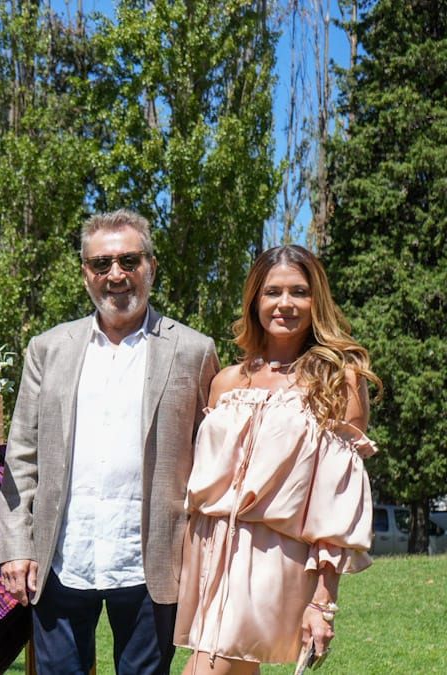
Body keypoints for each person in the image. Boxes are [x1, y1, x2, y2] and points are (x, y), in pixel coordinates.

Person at [0, 210, 220, 674]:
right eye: (101, 264)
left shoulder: (194, 351)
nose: (115, 275)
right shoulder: (48, 348)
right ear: (85, 273)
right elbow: (22, 454)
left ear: (151, 267)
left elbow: (213, 458)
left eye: (128, 260)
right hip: (61, 556)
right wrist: (16, 545)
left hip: (152, 560)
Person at [174, 245, 380, 674]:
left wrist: (323, 601)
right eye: (273, 292)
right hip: (210, 551)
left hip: (274, 555)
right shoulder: (226, 380)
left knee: (210, 669)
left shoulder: (338, 379)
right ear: (255, 300)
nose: (285, 304)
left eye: (299, 292)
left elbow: (336, 498)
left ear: (316, 301)